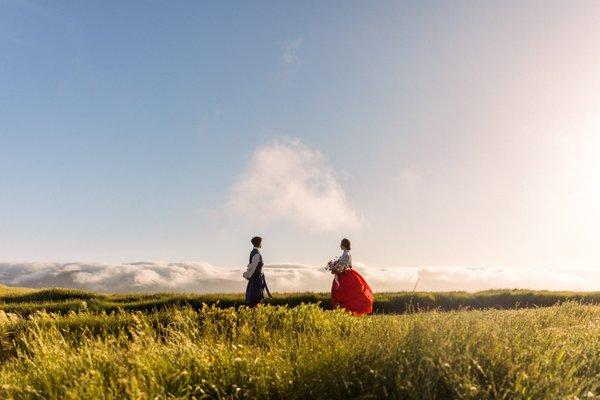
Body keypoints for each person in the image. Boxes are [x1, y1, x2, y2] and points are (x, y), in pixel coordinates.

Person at [331, 238, 374, 316]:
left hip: (344, 274)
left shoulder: (345, 254)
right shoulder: (348, 253)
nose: (340, 245)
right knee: (351, 292)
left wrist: (335, 269)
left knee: (345, 293)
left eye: (341, 244)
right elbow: (350, 265)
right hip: (348, 273)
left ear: (343, 245)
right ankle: (349, 312)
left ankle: (346, 311)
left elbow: (343, 266)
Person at [243, 236, 271, 307]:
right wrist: (247, 275)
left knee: (255, 298)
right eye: (261, 242)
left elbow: (251, 266)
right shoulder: (257, 254)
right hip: (256, 279)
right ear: (259, 243)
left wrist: (248, 275)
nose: (262, 244)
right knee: (256, 298)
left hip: (255, 278)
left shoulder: (254, 252)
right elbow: (253, 267)